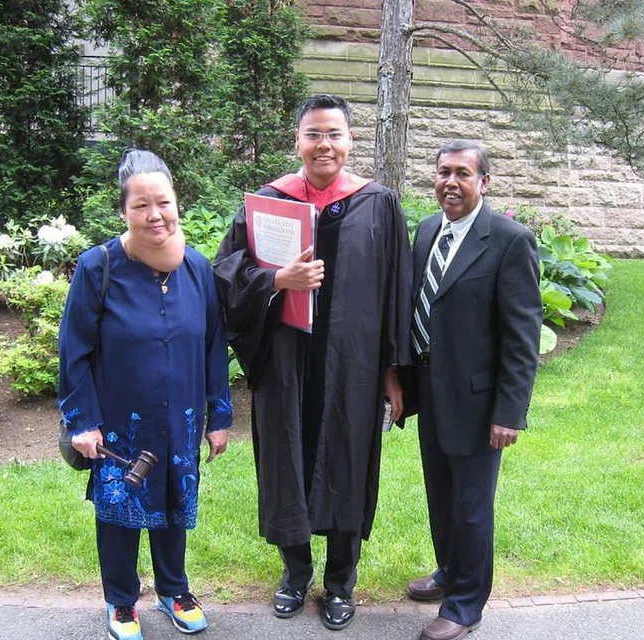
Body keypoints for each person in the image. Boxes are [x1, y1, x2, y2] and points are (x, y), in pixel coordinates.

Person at [213, 94, 412, 631]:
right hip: (285, 360)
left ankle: (341, 583)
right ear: (297, 140)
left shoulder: (379, 203)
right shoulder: (267, 203)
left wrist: (394, 372)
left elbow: (398, 290)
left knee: (347, 457)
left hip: (356, 365)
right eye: (312, 134)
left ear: (349, 141)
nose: (324, 144)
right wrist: (276, 281)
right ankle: (295, 574)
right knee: (287, 461)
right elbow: (225, 274)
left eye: (334, 134)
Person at [58, 149, 232, 640]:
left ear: (178, 204)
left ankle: (174, 590)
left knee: (174, 505)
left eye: (164, 202)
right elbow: (73, 351)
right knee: (119, 512)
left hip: (178, 419)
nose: (155, 214)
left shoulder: (197, 269)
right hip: (117, 423)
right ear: (124, 212)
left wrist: (217, 416)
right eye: (141, 205)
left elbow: (214, 345)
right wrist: (81, 422)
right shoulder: (99, 268)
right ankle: (120, 601)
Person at [405, 140, 541, 640]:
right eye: (443, 172)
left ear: (485, 182)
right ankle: (449, 573)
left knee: (471, 505)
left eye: (463, 173)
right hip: (432, 394)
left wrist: (509, 412)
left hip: (480, 405)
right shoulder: (425, 231)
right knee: (441, 496)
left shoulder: (509, 240)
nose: (451, 182)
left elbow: (522, 337)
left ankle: (465, 605)